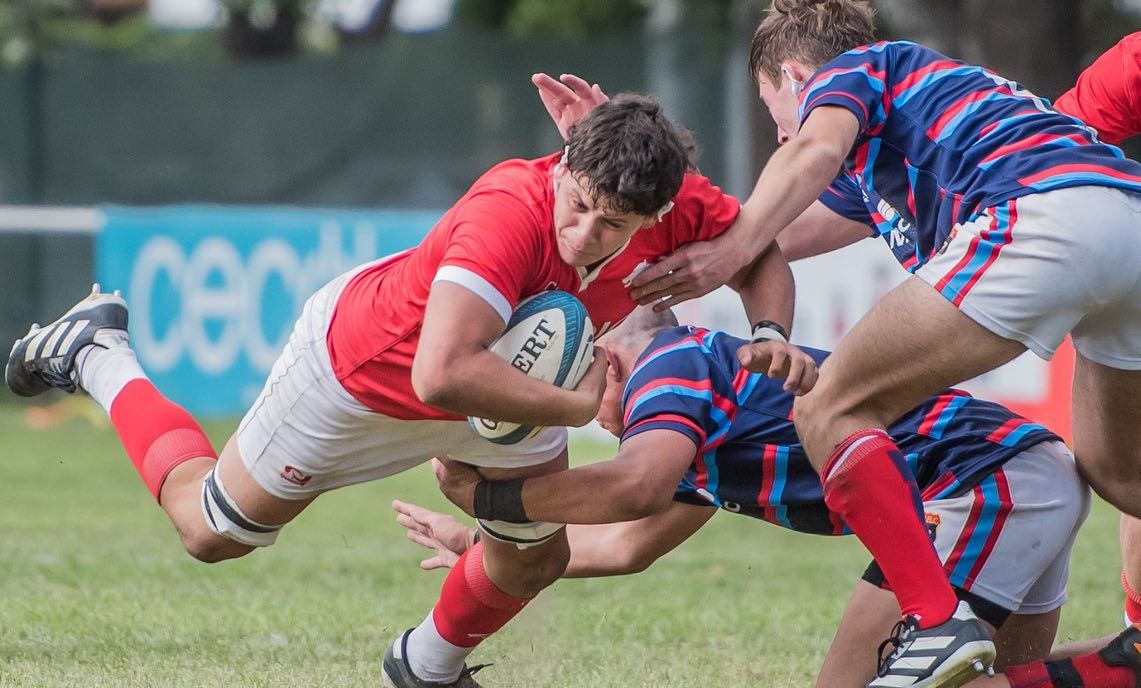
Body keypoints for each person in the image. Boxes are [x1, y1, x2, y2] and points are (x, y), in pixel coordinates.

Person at [4, 95, 815, 688]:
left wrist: (772, 333)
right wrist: (576, 407)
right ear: (561, 165)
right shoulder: (507, 212)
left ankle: (424, 667)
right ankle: (98, 351)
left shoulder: (675, 206)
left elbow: (755, 253)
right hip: (367, 374)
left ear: (656, 213)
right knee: (210, 531)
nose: (582, 235)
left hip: (508, 389)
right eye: (575, 206)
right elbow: (441, 373)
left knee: (535, 555)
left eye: (610, 227)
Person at [546, 3, 1141, 685]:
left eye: (774, 113)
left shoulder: (858, 69)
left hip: (1042, 212)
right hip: (1125, 220)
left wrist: (738, 243)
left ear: (794, 78)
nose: (781, 134)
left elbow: (806, 160)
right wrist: (621, 164)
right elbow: (751, 234)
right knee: (1119, 473)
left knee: (829, 405)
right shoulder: (886, 160)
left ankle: (933, 621)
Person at [399, 306, 1138, 688]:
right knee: (983, 680)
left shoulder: (669, 367)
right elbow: (626, 543)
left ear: (606, 360)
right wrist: (484, 545)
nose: (586, 416)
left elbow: (633, 489)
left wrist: (493, 498)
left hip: (981, 482)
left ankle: (1126, 666)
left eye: (574, 396)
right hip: (1019, 479)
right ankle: (1122, 665)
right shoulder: (692, 421)